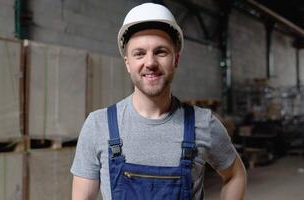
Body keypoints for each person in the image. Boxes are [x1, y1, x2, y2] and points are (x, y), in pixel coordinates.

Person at [71, 3, 246, 200]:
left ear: (176, 59)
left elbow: (235, 175)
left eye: (160, 52)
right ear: (128, 63)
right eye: (139, 54)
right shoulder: (98, 125)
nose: (150, 63)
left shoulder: (204, 123)